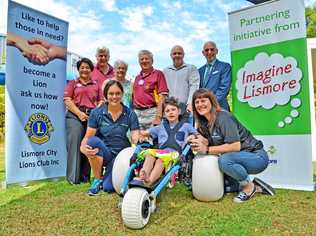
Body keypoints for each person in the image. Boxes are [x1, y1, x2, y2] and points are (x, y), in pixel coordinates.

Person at [188, 89, 274, 203]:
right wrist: (195, 138)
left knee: (224, 160)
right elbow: (207, 140)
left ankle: (249, 187)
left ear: (211, 102)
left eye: (203, 100)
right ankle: (256, 186)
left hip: (256, 156)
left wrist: (207, 149)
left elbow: (235, 146)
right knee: (229, 188)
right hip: (238, 157)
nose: (200, 104)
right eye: (197, 102)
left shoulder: (223, 117)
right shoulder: (203, 122)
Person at [80, 80, 139, 195]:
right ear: (106, 96)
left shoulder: (130, 113)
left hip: (121, 156)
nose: (114, 97)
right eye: (111, 94)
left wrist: (139, 141)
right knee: (92, 141)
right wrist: (83, 148)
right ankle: (97, 180)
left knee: (108, 187)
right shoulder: (96, 113)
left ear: (122, 94)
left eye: (117, 93)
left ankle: (106, 177)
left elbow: (135, 136)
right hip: (105, 152)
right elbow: (87, 137)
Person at [135, 97, 198, 186]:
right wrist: (140, 135)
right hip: (161, 152)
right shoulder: (160, 127)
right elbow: (144, 133)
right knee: (149, 155)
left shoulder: (186, 126)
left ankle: (150, 180)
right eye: (167, 111)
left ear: (179, 111)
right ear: (164, 115)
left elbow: (197, 135)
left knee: (160, 160)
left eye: (173, 109)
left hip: (175, 155)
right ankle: (143, 174)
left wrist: (192, 136)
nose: (171, 112)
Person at [64, 58, 103, 184]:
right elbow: (67, 100)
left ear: (91, 70)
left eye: (87, 67)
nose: (84, 69)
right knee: (75, 144)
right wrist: (79, 113)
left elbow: (101, 101)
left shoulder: (96, 85)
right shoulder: (73, 83)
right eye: (82, 67)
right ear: (78, 69)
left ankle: (85, 177)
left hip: (91, 116)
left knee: (88, 145)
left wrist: (95, 113)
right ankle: (73, 178)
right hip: (74, 115)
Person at [133, 50, 169, 129]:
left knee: (152, 139)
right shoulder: (137, 77)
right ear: (139, 62)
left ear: (152, 61)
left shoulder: (158, 74)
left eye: (147, 59)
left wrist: (158, 116)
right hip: (137, 113)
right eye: (142, 59)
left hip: (152, 113)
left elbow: (162, 96)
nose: (144, 61)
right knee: (138, 139)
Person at [163, 45, 200, 115]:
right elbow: (164, 90)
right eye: (174, 53)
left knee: (186, 126)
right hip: (170, 108)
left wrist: (190, 103)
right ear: (171, 55)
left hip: (186, 108)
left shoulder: (191, 68)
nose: (177, 55)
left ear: (183, 55)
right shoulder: (165, 71)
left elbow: (194, 86)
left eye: (179, 53)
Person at [199, 41, 231, 111]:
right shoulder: (199, 71)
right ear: (203, 53)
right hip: (204, 110)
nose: (209, 52)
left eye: (212, 49)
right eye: (206, 50)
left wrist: (210, 103)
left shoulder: (225, 66)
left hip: (219, 107)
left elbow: (224, 88)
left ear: (216, 51)